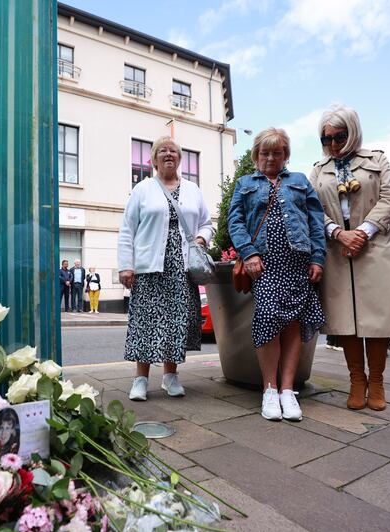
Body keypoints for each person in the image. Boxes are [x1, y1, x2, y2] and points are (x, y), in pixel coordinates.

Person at [309, 105, 390, 411]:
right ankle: (357, 380)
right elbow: (313, 208)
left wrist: (363, 232)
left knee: (377, 319)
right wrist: (339, 234)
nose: (333, 144)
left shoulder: (376, 159)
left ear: (352, 132)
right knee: (346, 320)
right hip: (338, 249)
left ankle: (377, 381)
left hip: (375, 246)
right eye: (326, 139)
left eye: (339, 136)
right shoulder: (318, 169)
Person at [228, 128, 326, 422]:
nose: (271, 157)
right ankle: (269, 390)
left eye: (277, 152)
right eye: (265, 152)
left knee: (293, 322)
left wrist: (318, 258)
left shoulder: (299, 181)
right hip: (264, 262)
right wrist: (249, 252)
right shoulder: (245, 183)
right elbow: (235, 221)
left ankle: (287, 390)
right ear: (256, 155)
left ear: (286, 155)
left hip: (297, 261)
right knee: (269, 316)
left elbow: (315, 221)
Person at [118, 135, 213, 402]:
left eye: (173, 151)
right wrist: (126, 266)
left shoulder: (193, 189)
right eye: (163, 151)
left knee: (176, 323)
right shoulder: (143, 189)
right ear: (153, 159)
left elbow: (207, 223)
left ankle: (171, 377)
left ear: (180, 159)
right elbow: (127, 230)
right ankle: (140, 378)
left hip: (182, 269)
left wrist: (202, 238)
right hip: (149, 267)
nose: (168, 154)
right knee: (146, 322)